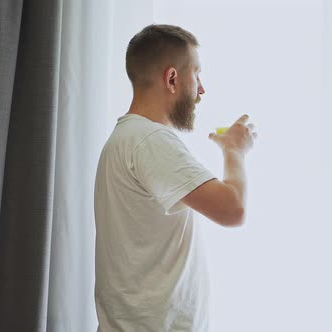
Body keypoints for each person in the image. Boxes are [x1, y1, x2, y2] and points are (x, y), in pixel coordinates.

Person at [93, 24, 257, 331]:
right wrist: (234, 151)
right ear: (172, 78)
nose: (202, 89)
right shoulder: (149, 140)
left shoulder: (125, 138)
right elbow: (233, 210)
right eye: (197, 75)